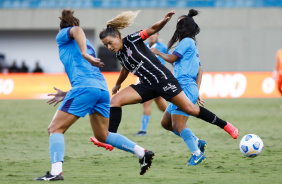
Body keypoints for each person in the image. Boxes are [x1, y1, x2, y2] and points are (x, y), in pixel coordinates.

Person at [99, 10, 239, 165]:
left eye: (110, 43)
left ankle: (225, 125)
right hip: (146, 85)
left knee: (190, 110)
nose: (109, 47)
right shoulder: (120, 54)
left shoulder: (132, 39)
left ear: (118, 37)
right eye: (106, 45)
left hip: (163, 80)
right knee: (116, 100)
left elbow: (151, 29)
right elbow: (125, 68)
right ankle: (110, 137)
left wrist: (164, 20)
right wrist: (118, 83)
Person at [35, 9, 154, 181]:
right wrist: (68, 93)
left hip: (85, 88)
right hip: (100, 89)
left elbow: (76, 30)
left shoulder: (65, 35)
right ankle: (141, 152)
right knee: (102, 135)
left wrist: (84, 54)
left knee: (55, 129)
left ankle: (55, 172)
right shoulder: (86, 44)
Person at [151, 9, 208, 165]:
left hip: (184, 88)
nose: (177, 27)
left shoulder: (186, 42)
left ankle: (197, 153)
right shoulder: (191, 45)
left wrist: (158, 52)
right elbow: (200, 70)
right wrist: (197, 91)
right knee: (166, 122)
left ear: (185, 28)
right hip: (184, 88)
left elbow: (172, 58)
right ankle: (197, 142)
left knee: (178, 124)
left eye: (179, 24)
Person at [135, 33, 168, 136]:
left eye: (154, 35)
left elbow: (170, 57)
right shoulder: (143, 46)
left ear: (157, 35)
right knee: (162, 107)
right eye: (151, 35)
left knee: (146, 103)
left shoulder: (162, 47)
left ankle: (143, 130)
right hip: (147, 78)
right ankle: (177, 121)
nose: (152, 36)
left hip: (157, 79)